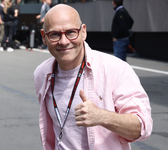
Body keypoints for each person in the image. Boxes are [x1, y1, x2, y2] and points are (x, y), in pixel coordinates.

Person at [34, 4, 153, 150]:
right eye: (55, 34)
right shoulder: (42, 74)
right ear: (44, 37)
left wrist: (102, 117)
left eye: (71, 32)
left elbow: (142, 127)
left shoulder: (115, 69)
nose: (64, 41)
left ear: (83, 31)